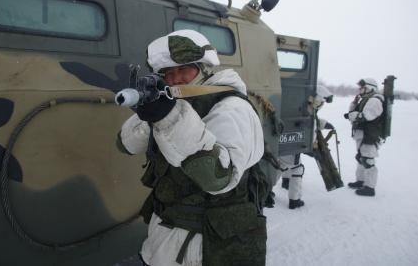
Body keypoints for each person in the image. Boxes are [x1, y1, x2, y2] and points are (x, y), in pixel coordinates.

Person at [118, 30, 265, 266]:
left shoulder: (232, 108)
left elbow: (218, 177)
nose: (175, 79)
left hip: (204, 245)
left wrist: (168, 117)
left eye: (184, 69)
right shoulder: (177, 103)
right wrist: (150, 115)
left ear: (204, 68)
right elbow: (125, 145)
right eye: (167, 73)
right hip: (164, 236)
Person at [280, 85, 334, 209]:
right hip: (292, 145)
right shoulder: (304, 110)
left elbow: (313, 121)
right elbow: (309, 126)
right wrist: (310, 145)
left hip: (286, 144)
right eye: (321, 102)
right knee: (297, 169)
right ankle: (294, 200)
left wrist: (325, 124)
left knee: (282, 167)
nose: (322, 105)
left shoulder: (300, 106)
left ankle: (282, 184)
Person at [345, 78, 384, 196]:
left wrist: (352, 115)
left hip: (369, 135)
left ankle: (370, 188)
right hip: (362, 133)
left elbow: (365, 116)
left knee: (368, 160)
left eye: (361, 87)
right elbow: (355, 113)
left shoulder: (375, 100)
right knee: (361, 157)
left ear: (369, 87)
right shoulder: (365, 99)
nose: (359, 89)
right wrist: (354, 104)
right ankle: (361, 180)